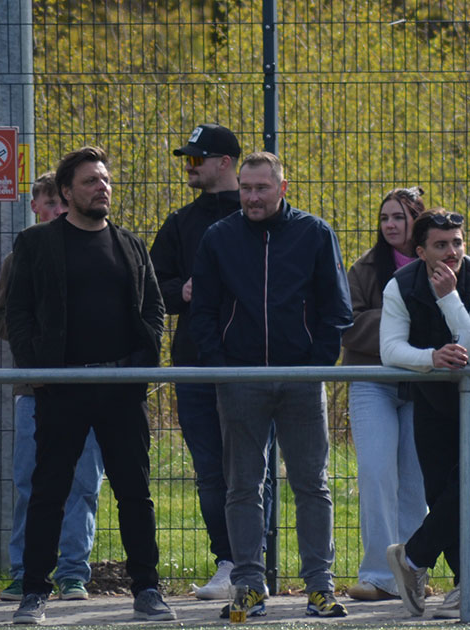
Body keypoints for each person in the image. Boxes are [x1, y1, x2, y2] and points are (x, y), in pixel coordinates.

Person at [4, 146, 173, 624]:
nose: (102, 187)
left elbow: (153, 310)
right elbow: (18, 313)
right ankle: (34, 593)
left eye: (105, 180)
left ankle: (147, 589)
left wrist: (139, 366)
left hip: (121, 388)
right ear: (66, 191)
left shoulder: (130, 245)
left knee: (135, 493)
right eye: (90, 181)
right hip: (62, 387)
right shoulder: (36, 244)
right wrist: (40, 371)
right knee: (48, 492)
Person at [189, 151, 353, 619]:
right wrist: (222, 367)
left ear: (282, 188)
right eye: (245, 188)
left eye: (262, 188)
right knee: (242, 485)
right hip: (240, 380)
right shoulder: (219, 237)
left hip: (301, 380)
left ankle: (319, 587)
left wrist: (315, 366)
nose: (252, 197)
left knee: (312, 484)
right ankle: (248, 586)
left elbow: (336, 309)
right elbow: (203, 311)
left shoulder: (315, 233)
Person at [150, 123, 271, 600]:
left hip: (253, 365)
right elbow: (149, 288)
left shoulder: (261, 217)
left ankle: (255, 564)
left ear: (225, 163)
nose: (190, 167)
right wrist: (179, 291)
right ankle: (229, 561)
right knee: (209, 469)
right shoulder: (180, 223)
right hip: (196, 365)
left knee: (252, 470)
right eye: (187, 159)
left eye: (197, 159)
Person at [381, 209, 470, 620]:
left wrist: (449, 297)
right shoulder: (400, 285)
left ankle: (411, 558)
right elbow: (390, 349)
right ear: (420, 251)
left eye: (457, 242)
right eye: (440, 245)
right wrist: (431, 358)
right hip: (432, 401)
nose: (452, 252)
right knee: (442, 495)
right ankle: (466, 586)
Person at [0, 172, 104, 603]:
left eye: (63, 204)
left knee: (83, 483)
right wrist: (41, 337)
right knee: (31, 482)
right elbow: (0, 318)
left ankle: (73, 572)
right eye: (50, 204)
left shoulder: (96, 250)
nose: (58, 211)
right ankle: (24, 571)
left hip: (89, 387)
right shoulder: (20, 256)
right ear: (36, 207)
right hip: (34, 389)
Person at [340, 187, 428, 601]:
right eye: (384, 218)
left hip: (423, 383)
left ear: (418, 221)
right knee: (376, 474)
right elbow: (348, 325)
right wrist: (401, 325)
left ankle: (410, 575)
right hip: (372, 381)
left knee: (415, 484)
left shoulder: (438, 263)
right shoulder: (363, 269)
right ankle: (377, 575)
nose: (390, 225)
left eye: (399, 217)